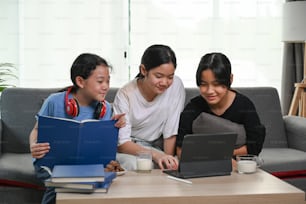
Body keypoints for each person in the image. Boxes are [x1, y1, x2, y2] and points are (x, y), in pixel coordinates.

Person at [29, 53, 125, 204]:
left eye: (108, 81)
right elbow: (36, 130)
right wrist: (33, 145)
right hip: (52, 163)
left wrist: (113, 128)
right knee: (60, 183)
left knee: (97, 183)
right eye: (100, 81)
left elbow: (102, 147)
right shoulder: (54, 101)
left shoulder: (105, 108)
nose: (106, 86)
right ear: (80, 81)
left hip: (86, 164)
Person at [176, 52, 265, 160]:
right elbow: (180, 148)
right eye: (204, 84)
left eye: (217, 84)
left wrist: (222, 154)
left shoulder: (244, 105)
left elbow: (255, 146)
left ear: (230, 79)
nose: (210, 91)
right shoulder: (194, 107)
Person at [113, 44, 186, 171]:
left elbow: (171, 131)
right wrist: (157, 156)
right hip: (129, 147)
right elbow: (123, 143)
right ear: (143, 70)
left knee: (171, 164)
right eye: (158, 76)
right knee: (138, 165)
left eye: (170, 77)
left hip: (155, 146)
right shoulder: (125, 94)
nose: (164, 83)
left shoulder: (176, 86)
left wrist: (167, 160)